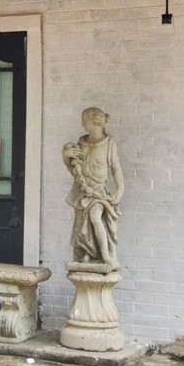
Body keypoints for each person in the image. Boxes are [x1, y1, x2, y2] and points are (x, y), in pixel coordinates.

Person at [62, 106, 122, 265]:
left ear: (94, 122)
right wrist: (66, 157)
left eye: (84, 121)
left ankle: (105, 255)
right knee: (82, 227)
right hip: (82, 192)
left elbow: (116, 169)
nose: (82, 124)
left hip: (98, 193)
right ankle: (88, 252)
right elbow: (73, 170)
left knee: (96, 218)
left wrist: (120, 190)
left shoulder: (109, 144)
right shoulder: (80, 144)